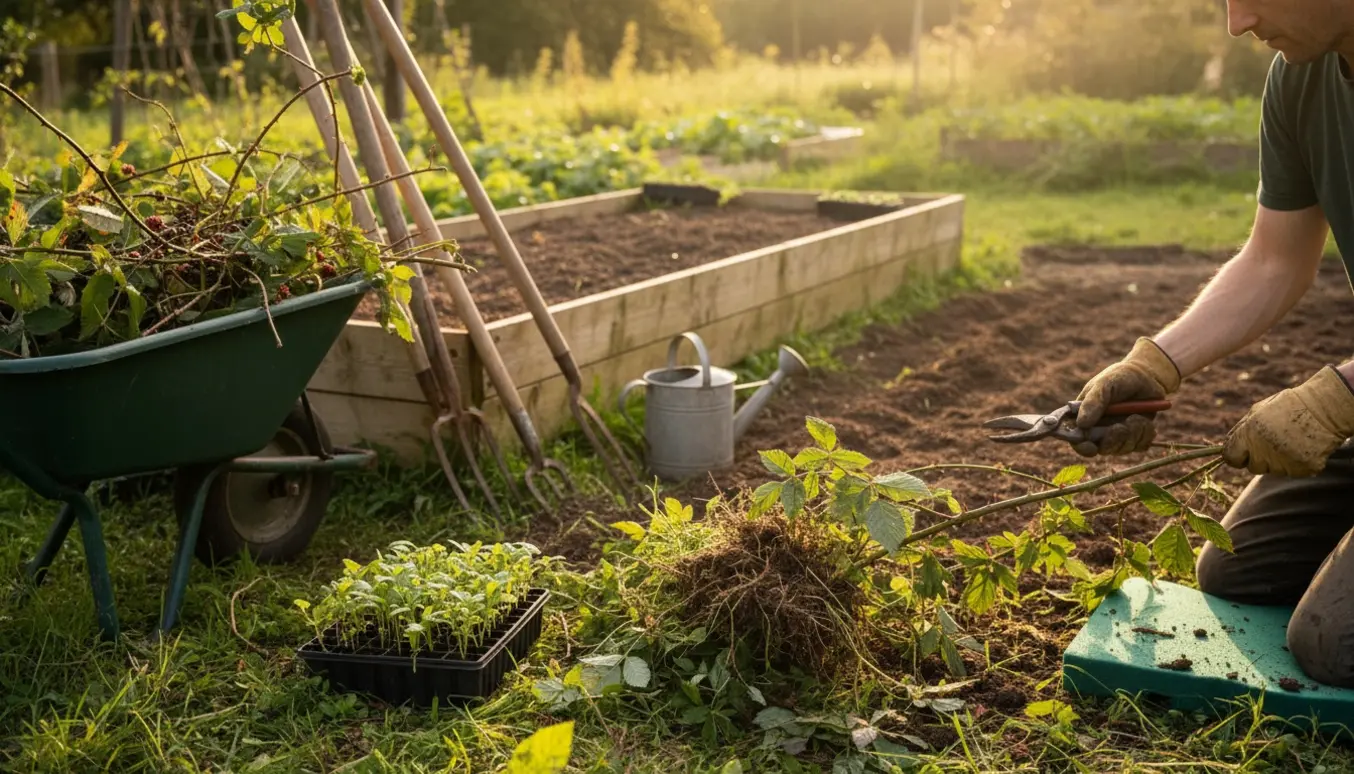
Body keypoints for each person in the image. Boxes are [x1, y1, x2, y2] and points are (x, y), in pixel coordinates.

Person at [1070, 2, 1354, 688]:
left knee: (1332, 645)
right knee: (1238, 569)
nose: (1238, 22)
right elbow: (1274, 259)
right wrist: (1157, 362)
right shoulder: (1300, 77)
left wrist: (1339, 395)